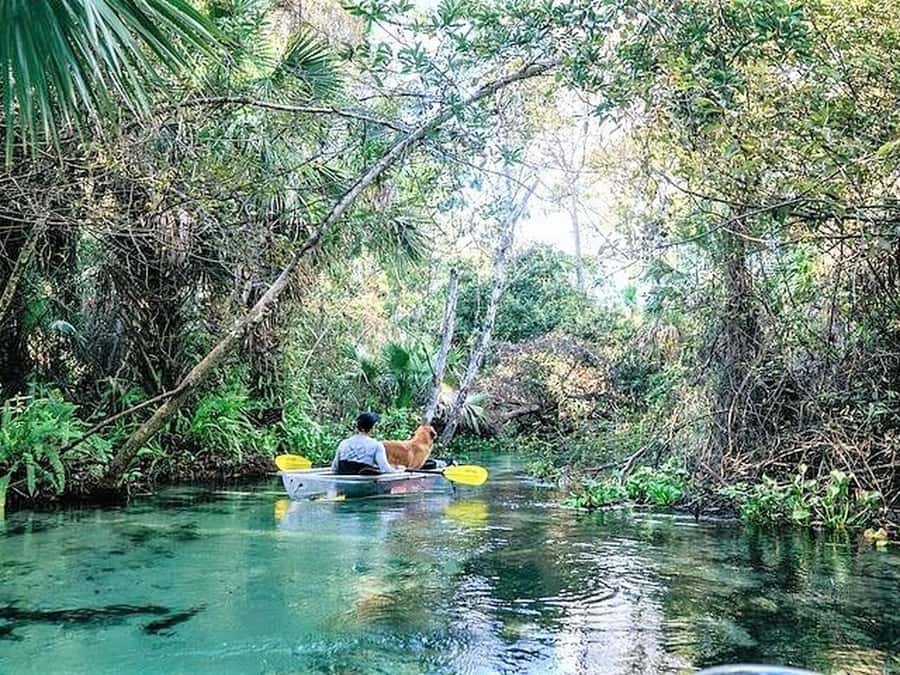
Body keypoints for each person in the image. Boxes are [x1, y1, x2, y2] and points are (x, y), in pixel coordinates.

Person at [330, 412, 405, 475]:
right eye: (375, 426)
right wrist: (399, 471)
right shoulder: (376, 445)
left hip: (344, 485)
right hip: (365, 484)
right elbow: (385, 469)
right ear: (372, 428)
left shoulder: (343, 443)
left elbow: (334, 468)